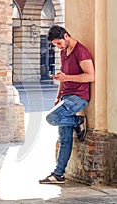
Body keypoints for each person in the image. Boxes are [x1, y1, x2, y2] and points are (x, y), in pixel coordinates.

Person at [39, 25, 95, 184]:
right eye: (56, 44)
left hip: (78, 97)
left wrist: (67, 78)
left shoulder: (81, 52)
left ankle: (78, 121)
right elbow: (64, 77)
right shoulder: (64, 52)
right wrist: (58, 96)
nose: (58, 47)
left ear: (66, 36)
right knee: (64, 138)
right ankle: (58, 174)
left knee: (51, 118)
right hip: (66, 98)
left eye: (59, 43)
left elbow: (90, 76)